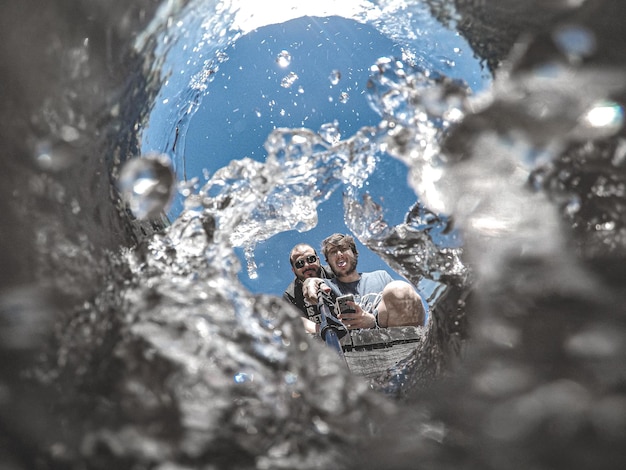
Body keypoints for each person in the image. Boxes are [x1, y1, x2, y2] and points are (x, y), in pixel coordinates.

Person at [302, 233, 425, 330]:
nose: (339, 254)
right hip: (350, 354)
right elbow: (313, 283)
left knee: (400, 289)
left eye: (343, 248)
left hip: (391, 345)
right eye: (333, 252)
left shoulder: (380, 277)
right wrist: (310, 282)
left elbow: (406, 307)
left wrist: (372, 321)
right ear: (328, 262)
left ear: (355, 253)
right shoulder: (327, 286)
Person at [283, 243, 335, 334]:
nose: (307, 266)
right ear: (293, 270)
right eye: (300, 263)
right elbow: (297, 321)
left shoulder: (335, 274)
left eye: (311, 259)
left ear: (318, 260)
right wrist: (326, 332)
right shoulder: (290, 295)